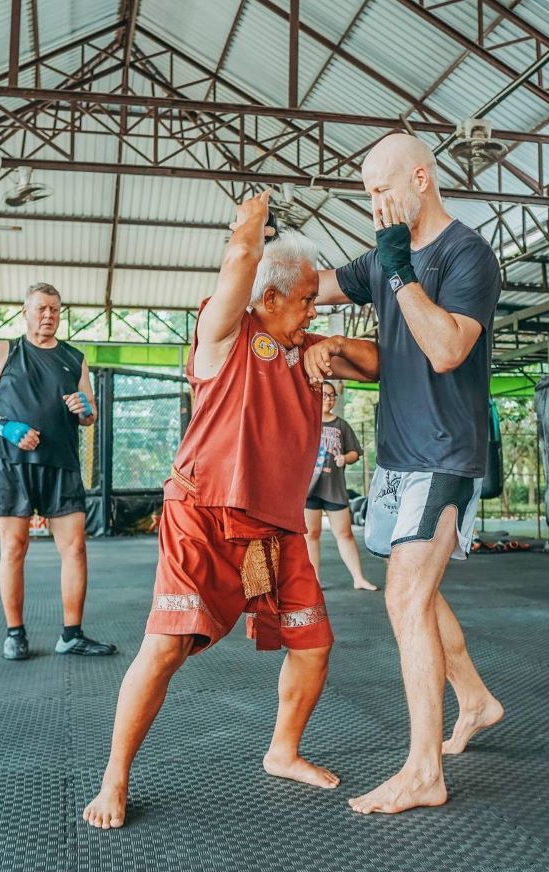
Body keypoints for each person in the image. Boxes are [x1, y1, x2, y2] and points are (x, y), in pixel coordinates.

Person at [82, 191, 380, 830]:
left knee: (314, 645)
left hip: (275, 530)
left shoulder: (307, 346)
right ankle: (115, 777)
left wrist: (341, 352)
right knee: (164, 650)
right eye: (304, 299)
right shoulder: (223, 332)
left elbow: (382, 364)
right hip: (203, 516)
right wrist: (252, 217)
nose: (311, 310)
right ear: (269, 297)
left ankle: (282, 751)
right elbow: (243, 257)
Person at [312, 132, 505, 815]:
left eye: (381, 188)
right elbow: (316, 287)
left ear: (421, 177)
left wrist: (398, 271)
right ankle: (476, 701)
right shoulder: (384, 252)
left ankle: (424, 772)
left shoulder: (466, 254)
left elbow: (446, 348)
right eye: (366, 193)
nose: (374, 205)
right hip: (397, 454)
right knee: (416, 593)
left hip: (444, 452)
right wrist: (254, 283)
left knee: (403, 600)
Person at [0, 283, 116, 660]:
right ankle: (15, 633)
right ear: (25, 312)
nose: (48, 315)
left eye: (54, 309)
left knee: (76, 548)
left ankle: (71, 634)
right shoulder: (5, 351)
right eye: (40, 309)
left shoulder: (73, 358)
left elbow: (90, 416)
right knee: (14, 548)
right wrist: (7, 427)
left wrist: (85, 406)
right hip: (12, 464)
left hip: (61, 464)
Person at [305, 382, 377, 591]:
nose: (329, 399)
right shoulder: (307, 422)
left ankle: (359, 578)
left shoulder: (341, 425)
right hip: (310, 489)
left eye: (332, 396)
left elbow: (355, 451)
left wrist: (345, 458)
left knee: (344, 533)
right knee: (312, 534)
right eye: (325, 395)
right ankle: (314, 580)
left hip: (334, 488)